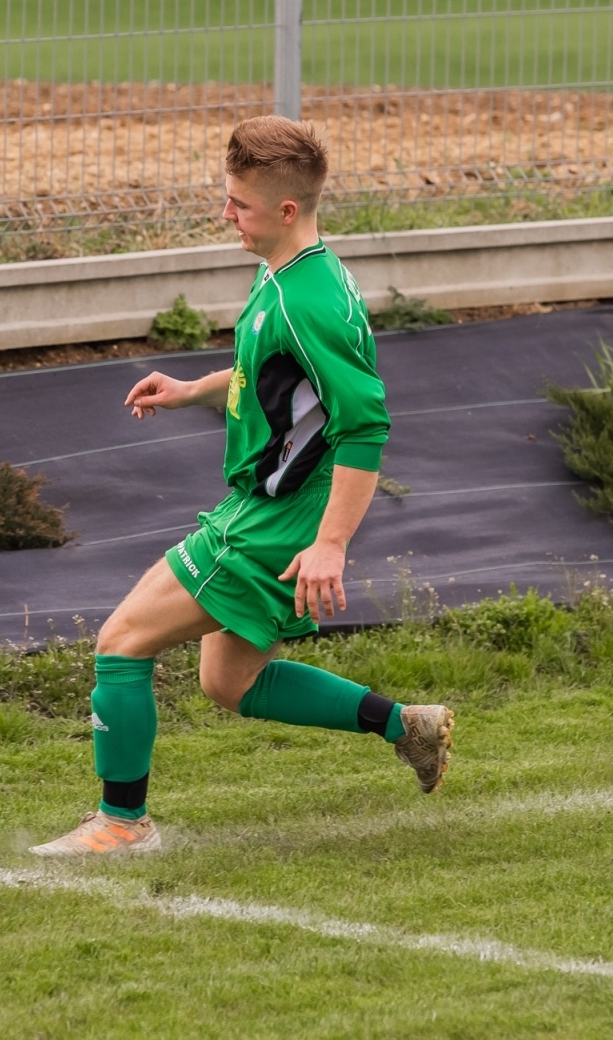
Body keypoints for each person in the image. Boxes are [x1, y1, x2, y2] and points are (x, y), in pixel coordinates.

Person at [30, 116, 454, 858]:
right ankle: (405, 725)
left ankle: (122, 824)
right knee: (228, 681)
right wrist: (193, 390)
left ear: (286, 210)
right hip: (271, 506)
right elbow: (277, 375)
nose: (226, 213)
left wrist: (330, 544)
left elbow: (365, 428)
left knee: (122, 643)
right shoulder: (292, 270)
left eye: (239, 203)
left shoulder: (305, 301)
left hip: (276, 519)